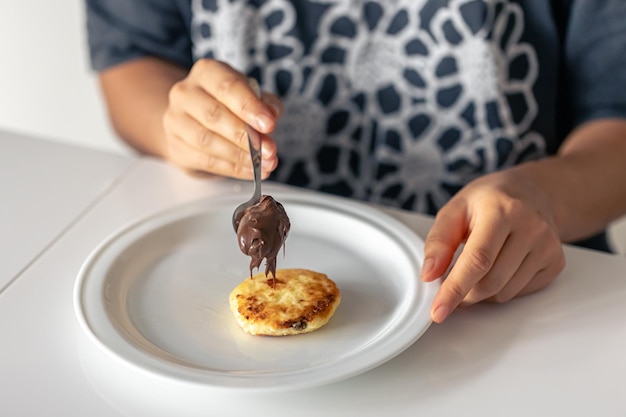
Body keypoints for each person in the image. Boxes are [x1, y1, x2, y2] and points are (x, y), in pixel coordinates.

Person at [86, 0, 626, 323]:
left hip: (511, 292)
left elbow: (615, 115)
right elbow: (131, 59)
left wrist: (545, 196)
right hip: (200, 274)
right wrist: (176, 123)